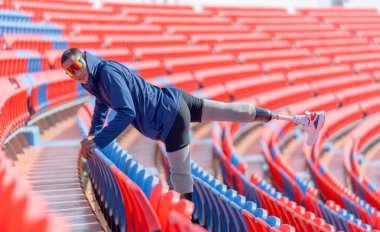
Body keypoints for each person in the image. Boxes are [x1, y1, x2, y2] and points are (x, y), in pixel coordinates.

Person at [61, 48, 325, 201]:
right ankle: (302, 119)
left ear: (84, 58)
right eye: (69, 71)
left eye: (76, 65)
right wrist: (94, 133)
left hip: (168, 118)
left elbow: (126, 112)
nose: (75, 72)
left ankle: (187, 227)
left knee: (180, 176)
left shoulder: (105, 74)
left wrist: (97, 140)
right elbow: (102, 107)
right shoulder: (94, 79)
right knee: (231, 112)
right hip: (175, 100)